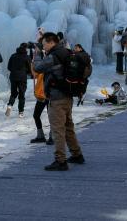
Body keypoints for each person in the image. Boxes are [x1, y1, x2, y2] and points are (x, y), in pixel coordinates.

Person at [33, 32, 84, 171]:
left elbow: (37, 68)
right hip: (68, 95)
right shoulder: (66, 52)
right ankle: (77, 154)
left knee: (58, 130)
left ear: (51, 42)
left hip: (57, 98)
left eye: (44, 45)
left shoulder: (53, 56)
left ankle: (60, 161)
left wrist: (37, 54)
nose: (43, 47)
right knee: (68, 127)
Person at [30, 43, 53, 145]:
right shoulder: (40, 63)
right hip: (41, 94)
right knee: (36, 115)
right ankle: (41, 136)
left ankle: (52, 136)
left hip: (48, 94)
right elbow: (34, 73)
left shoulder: (47, 63)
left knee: (51, 116)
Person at [6, 44, 32, 117]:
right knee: (21, 94)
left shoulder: (13, 56)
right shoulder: (26, 57)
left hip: (13, 77)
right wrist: (26, 72)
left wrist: (14, 71)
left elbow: (9, 67)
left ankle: (10, 105)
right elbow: (30, 68)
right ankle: (21, 112)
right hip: (22, 77)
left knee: (13, 93)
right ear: (25, 50)